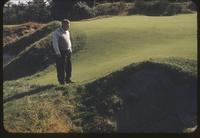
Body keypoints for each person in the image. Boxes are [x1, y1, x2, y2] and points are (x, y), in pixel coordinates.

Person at [52, 19, 73, 84]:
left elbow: (68, 41)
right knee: (61, 67)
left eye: (69, 25)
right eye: (67, 25)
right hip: (61, 52)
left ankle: (68, 79)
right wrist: (57, 52)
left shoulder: (67, 32)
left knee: (68, 66)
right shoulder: (57, 32)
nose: (69, 26)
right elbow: (55, 43)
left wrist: (70, 48)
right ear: (63, 24)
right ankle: (62, 82)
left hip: (67, 51)